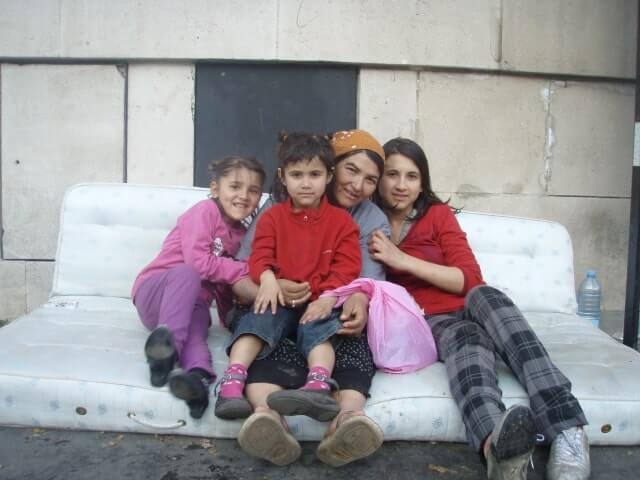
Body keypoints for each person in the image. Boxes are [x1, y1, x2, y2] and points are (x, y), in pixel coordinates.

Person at [369, 137, 590, 480]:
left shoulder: (437, 216)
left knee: (486, 296)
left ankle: (568, 430)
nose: (401, 185)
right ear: (379, 177)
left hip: (471, 300)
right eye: (392, 174)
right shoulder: (368, 221)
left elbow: (469, 278)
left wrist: (402, 259)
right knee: (468, 342)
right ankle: (497, 451)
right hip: (429, 319)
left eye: (412, 176)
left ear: (422, 181)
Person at [225, 129, 390, 467]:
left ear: (325, 173)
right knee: (268, 333)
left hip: (327, 305)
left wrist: (345, 297)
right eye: (352, 170)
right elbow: (250, 263)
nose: (358, 185)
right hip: (278, 303)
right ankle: (267, 418)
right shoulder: (275, 210)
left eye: (370, 179)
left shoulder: (365, 219)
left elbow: (360, 275)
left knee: (344, 335)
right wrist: (271, 285)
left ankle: (346, 421)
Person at [215, 131, 362, 424]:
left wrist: (329, 296)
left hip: (317, 301)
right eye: (297, 174)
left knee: (319, 327)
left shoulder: (342, 222)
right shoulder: (273, 217)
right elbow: (260, 255)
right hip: (278, 298)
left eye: (314, 174)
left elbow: (347, 266)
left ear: (329, 176)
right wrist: (267, 279)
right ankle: (232, 382)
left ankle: (318, 385)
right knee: (257, 319)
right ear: (283, 177)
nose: (306, 183)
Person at [131, 156, 265, 419]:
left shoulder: (241, 237)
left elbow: (225, 285)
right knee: (187, 273)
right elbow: (199, 263)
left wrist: (231, 316)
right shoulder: (205, 211)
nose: (243, 196)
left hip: (192, 306)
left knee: (198, 326)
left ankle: (198, 382)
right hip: (156, 293)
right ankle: (165, 354)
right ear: (216, 189)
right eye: (235, 187)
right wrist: (246, 269)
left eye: (253, 190)